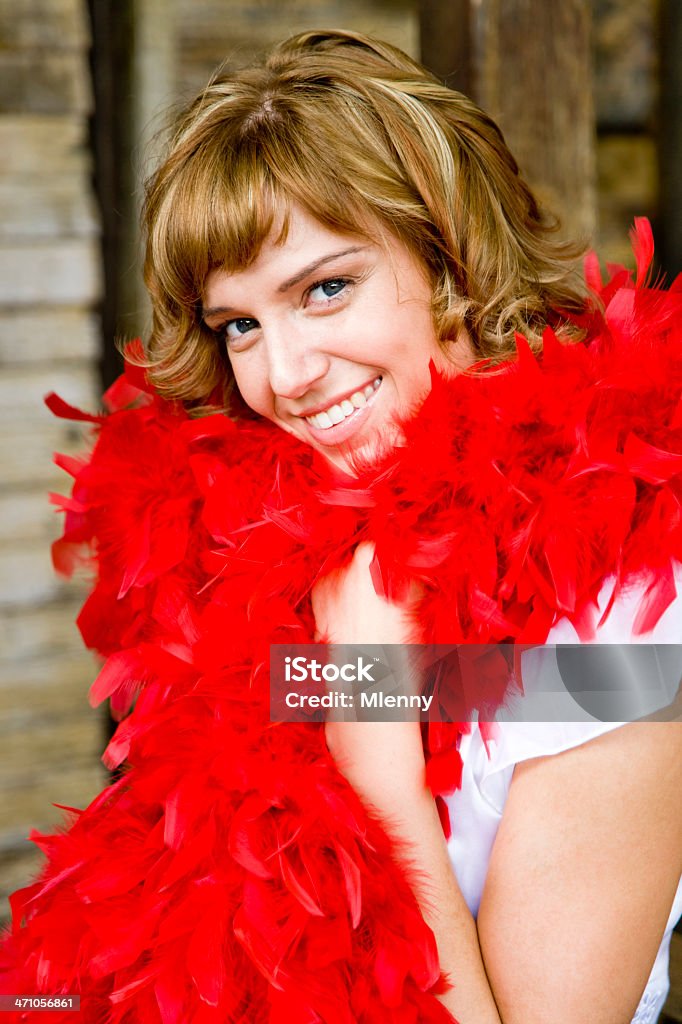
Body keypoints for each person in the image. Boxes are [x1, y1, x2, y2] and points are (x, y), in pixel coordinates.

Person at [2, 28, 681, 1024]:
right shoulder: (267, 547)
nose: (285, 373)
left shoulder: (626, 610)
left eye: (327, 288)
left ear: (448, 251)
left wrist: (375, 753)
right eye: (239, 323)